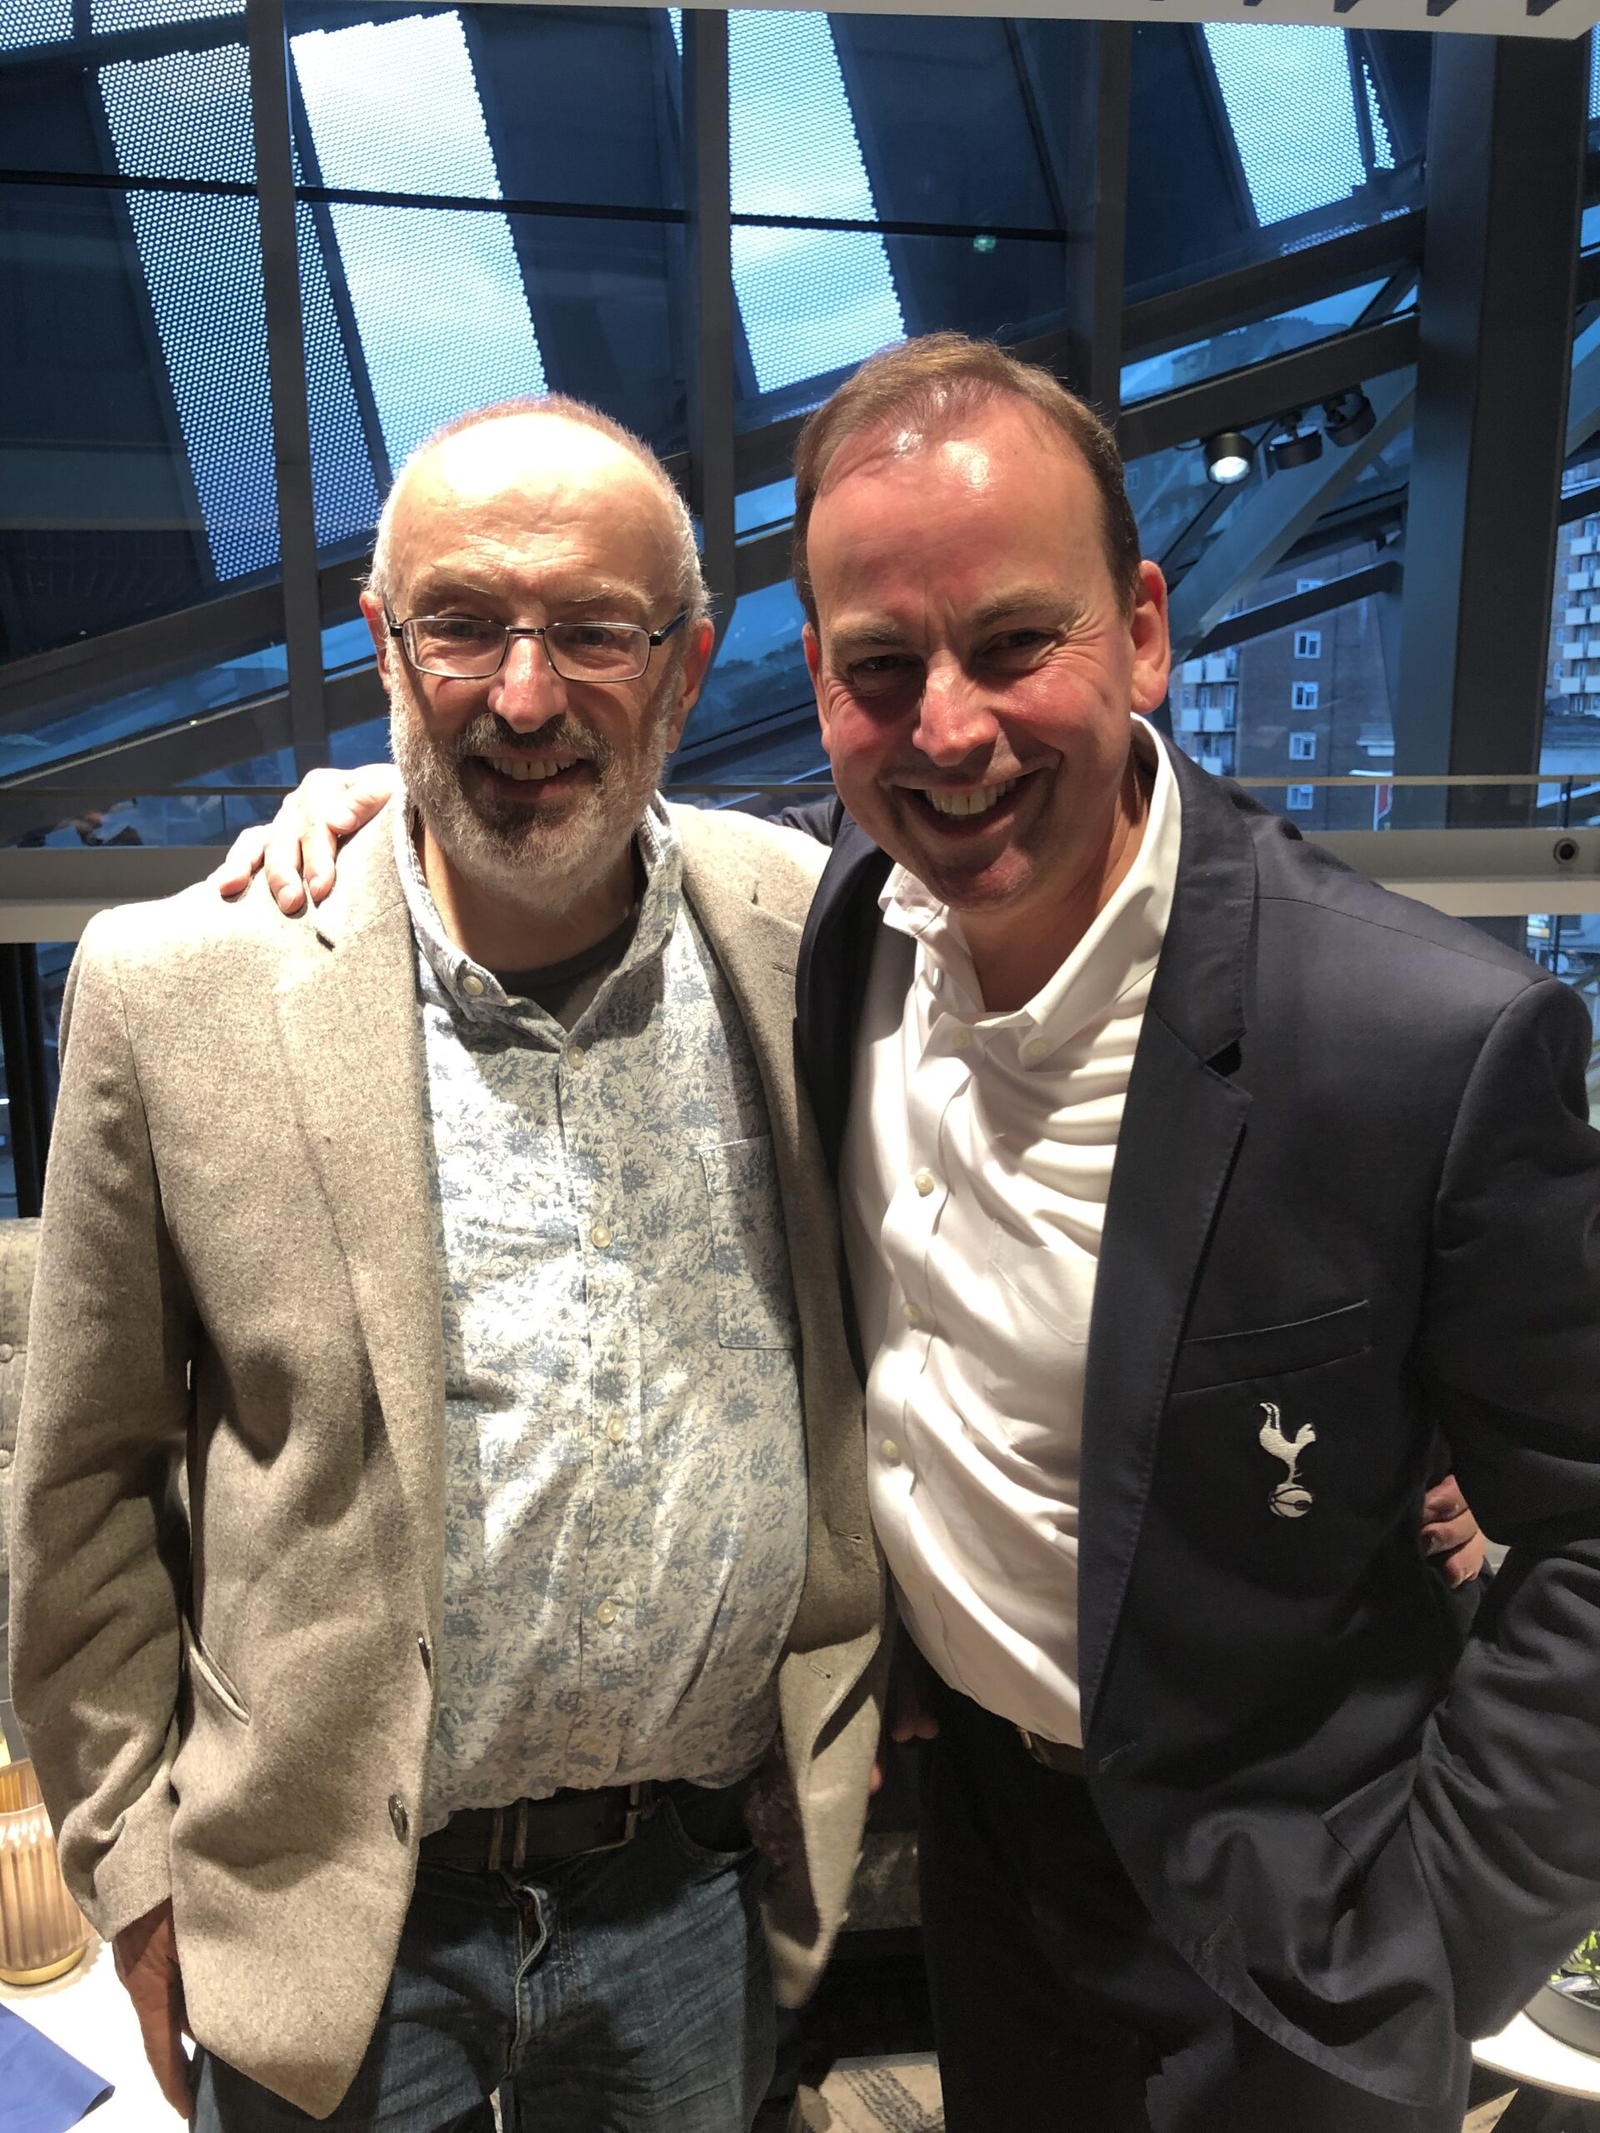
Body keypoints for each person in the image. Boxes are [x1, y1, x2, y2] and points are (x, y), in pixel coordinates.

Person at [224, 337, 1566, 2133]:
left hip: (1298, 1914)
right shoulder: (836, 919)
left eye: (1015, 643)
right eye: (880, 666)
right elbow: (564, 793)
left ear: (1143, 632)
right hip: (986, 1868)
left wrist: (1441, 1943)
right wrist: (388, 797)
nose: (948, 730)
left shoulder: (1424, 1035)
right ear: (816, 684)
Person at [7, 398, 883, 2131]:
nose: (526, 696)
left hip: (693, 1889)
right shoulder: (180, 988)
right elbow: (82, 1484)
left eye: (596, 631)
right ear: (384, 647)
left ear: (689, 664)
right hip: (331, 1917)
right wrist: (132, 1873)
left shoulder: (800, 927)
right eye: (465, 625)